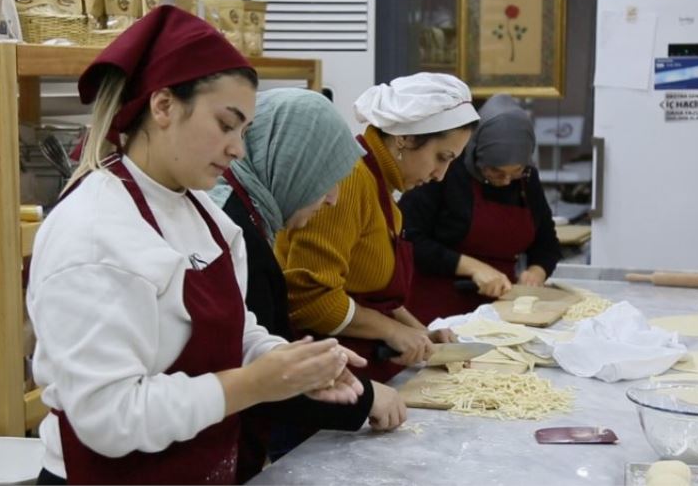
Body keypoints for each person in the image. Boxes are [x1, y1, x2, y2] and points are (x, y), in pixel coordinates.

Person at [27, 5, 365, 485]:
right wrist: (253, 385)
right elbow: (107, 417)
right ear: (163, 106)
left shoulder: (203, 214)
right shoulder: (93, 230)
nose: (238, 149)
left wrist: (291, 364)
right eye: (226, 125)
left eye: (245, 131)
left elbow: (236, 331)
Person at [208, 88, 407, 476]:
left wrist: (321, 368)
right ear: (292, 164)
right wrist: (362, 398)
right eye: (326, 179)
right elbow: (249, 372)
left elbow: (251, 340)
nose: (333, 199)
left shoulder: (246, 218)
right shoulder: (235, 230)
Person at [274, 73, 480, 382]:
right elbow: (310, 300)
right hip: (328, 377)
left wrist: (421, 334)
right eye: (442, 157)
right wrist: (392, 331)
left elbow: (373, 296)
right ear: (406, 138)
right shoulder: (350, 180)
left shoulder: (381, 187)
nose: (440, 175)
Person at [399, 94, 562, 324]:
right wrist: (473, 268)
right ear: (478, 155)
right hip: (437, 310)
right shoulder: (445, 170)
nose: (506, 181)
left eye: (515, 172)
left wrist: (536, 272)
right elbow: (408, 238)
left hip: (502, 310)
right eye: (495, 172)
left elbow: (547, 245)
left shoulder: (526, 178)